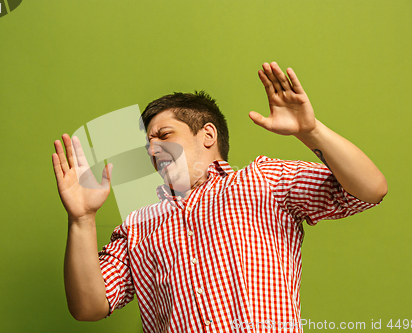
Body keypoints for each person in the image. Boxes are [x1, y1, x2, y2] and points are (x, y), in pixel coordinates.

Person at [52, 62, 387, 332]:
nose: (153, 149)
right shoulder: (138, 226)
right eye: (147, 145)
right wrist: (81, 219)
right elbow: (89, 307)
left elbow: (370, 190)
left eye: (164, 135)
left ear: (207, 134)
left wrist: (310, 131)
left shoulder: (265, 181)